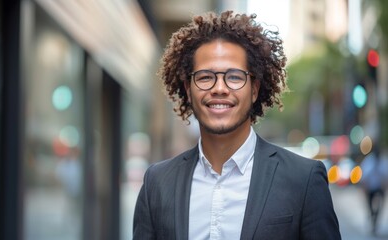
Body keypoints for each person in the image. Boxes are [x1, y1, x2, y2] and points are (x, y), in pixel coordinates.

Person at [133, 11, 341, 240]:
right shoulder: (157, 182)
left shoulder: (304, 179)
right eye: (204, 77)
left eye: (234, 77)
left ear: (254, 89)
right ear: (188, 89)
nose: (219, 88)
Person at [360, 146, 388, 235]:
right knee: (370, 206)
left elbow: (385, 175)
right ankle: (372, 218)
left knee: (379, 206)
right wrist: (364, 188)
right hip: (370, 188)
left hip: (380, 188)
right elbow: (364, 176)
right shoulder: (369, 161)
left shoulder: (383, 161)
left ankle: (375, 222)